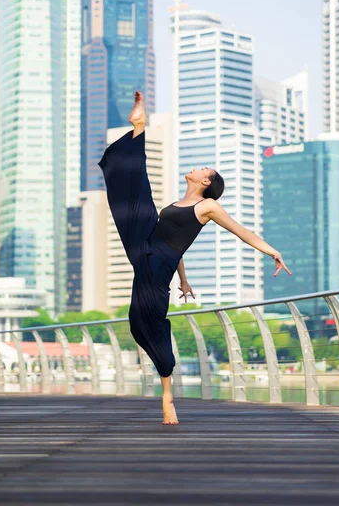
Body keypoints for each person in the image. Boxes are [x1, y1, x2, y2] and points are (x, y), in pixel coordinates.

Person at [98, 90, 292, 425]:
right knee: (138, 197)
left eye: (204, 168)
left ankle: (167, 396)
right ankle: (138, 130)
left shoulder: (209, 206)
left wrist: (272, 251)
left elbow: (242, 232)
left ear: (206, 182)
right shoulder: (176, 203)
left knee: (147, 320)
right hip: (147, 245)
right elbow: (175, 238)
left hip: (157, 263)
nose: (198, 167)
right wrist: (184, 279)